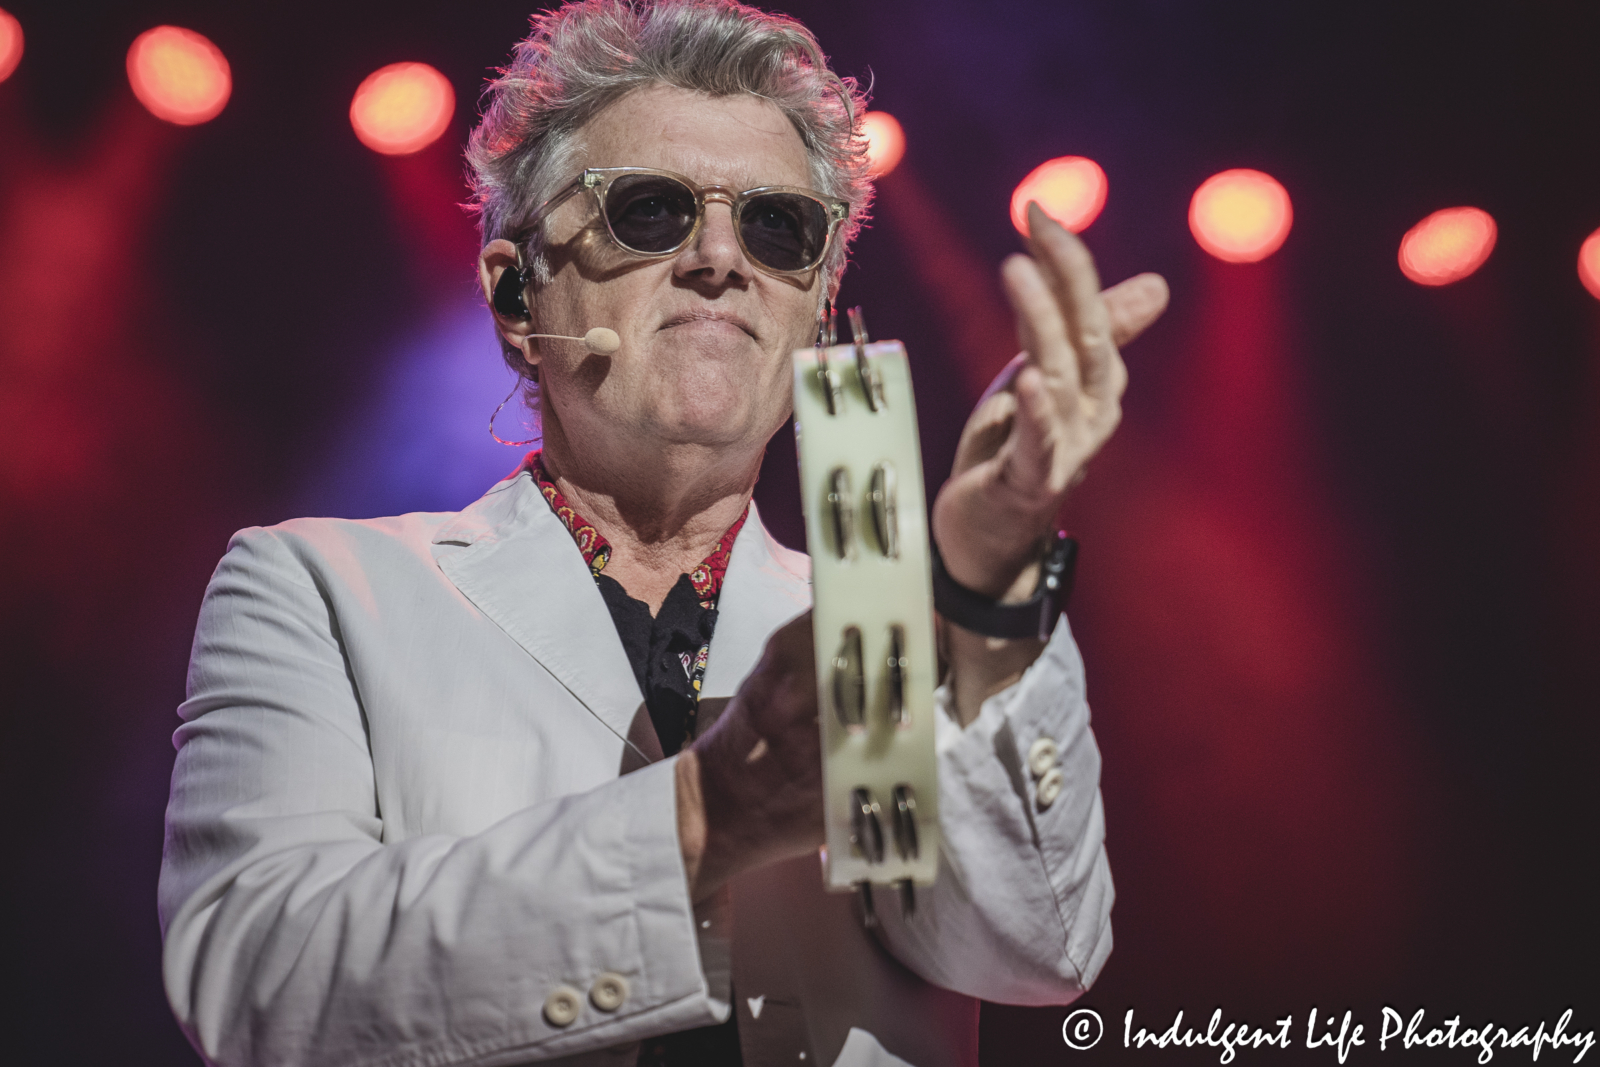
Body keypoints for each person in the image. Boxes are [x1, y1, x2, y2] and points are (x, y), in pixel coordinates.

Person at [157, 2, 1169, 1065]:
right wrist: (704, 813)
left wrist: (988, 583)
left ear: (818, 310)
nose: (722, 257)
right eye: (650, 210)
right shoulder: (320, 589)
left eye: (779, 227)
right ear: (515, 294)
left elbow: (1037, 949)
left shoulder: (881, 614)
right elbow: (260, 979)